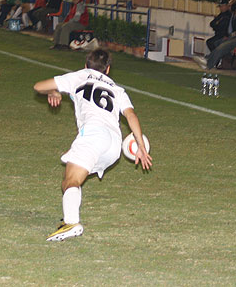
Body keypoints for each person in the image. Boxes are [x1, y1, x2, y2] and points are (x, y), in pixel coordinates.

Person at [33, 49, 152, 242]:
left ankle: (72, 223)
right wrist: (141, 146)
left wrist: (53, 90)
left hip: (93, 135)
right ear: (108, 69)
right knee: (74, 178)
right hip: (114, 144)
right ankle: (70, 218)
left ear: (86, 65)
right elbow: (131, 115)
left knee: (70, 181)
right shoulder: (117, 89)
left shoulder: (79, 76)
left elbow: (38, 86)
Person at [193, 1, 236, 70]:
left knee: (224, 44)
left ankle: (209, 62)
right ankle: (211, 59)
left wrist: (231, 35)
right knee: (220, 43)